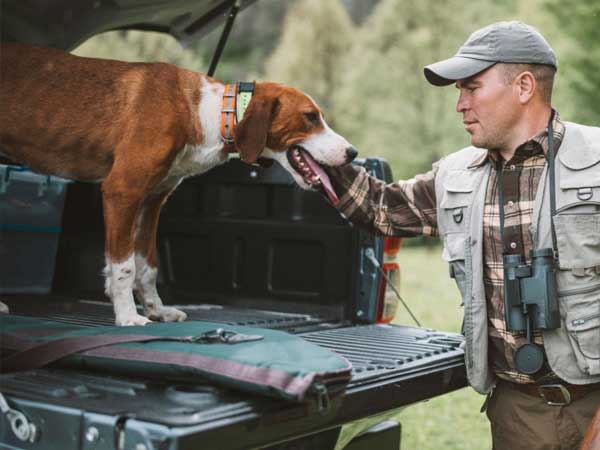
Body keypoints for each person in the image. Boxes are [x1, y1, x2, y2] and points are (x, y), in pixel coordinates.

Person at [327, 21, 600, 450]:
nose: (460, 104)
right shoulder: (455, 176)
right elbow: (377, 206)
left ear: (524, 86)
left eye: (471, 87)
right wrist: (303, 139)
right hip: (515, 415)